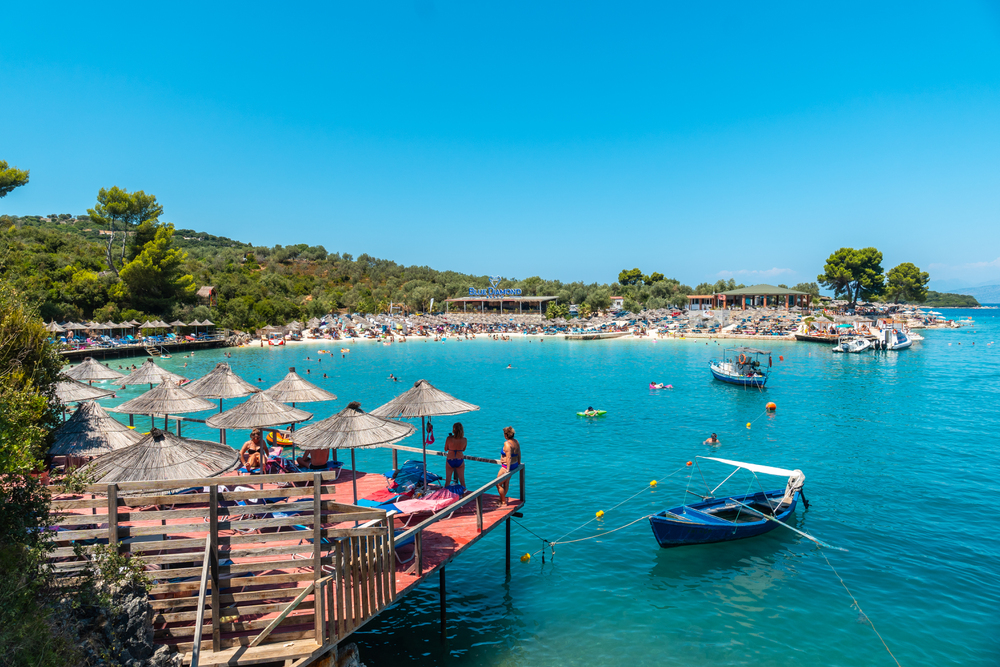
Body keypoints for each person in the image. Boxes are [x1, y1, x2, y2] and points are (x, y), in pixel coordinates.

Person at [496, 426, 520, 505]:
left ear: (506, 435)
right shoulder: (516, 442)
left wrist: (507, 470)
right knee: (506, 483)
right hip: (515, 464)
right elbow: (519, 453)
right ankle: (502, 498)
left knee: (498, 483)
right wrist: (518, 463)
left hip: (506, 466)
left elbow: (509, 457)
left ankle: (503, 501)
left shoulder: (507, 444)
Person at [444, 422, 467, 488]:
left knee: (448, 481)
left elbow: (445, 449)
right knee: (462, 481)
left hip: (450, 459)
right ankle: (464, 496)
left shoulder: (449, 438)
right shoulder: (464, 440)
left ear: (453, 430)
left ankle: (446, 496)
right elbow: (463, 449)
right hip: (460, 460)